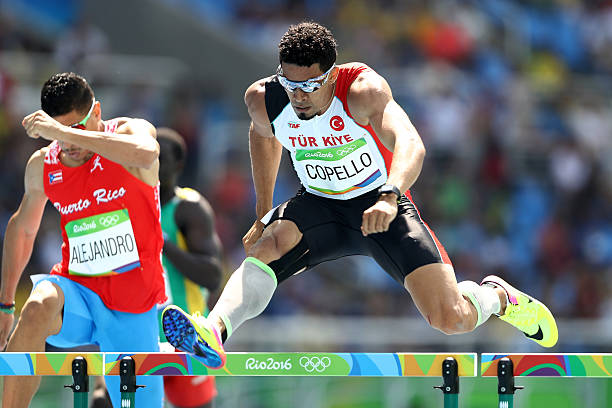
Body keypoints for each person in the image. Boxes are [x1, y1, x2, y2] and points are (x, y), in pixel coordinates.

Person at [162, 21, 559, 369]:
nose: (298, 96)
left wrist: (389, 195)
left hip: (378, 205)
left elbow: (411, 144)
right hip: (318, 204)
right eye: (290, 85)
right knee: (266, 245)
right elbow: (262, 136)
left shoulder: (362, 91)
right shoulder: (264, 98)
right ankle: (213, 330)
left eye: (309, 86)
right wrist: (263, 209)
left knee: (449, 318)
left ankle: (497, 297)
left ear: (332, 76)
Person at [0, 72, 166, 407]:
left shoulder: (130, 132)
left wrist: (61, 133)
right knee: (36, 306)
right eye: (59, 134)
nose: (69, 144)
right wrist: (4, 304)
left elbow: (147, 155)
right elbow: (23, 229)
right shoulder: (43, 166)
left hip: (133, 305)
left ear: (98, 112)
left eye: (77, 130)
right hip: (77, 294)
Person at [90, 128, 222, 408]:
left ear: (179, 165)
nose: (150, 160)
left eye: (159, 156)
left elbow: (212, 276)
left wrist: (159, 240)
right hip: (136, 332)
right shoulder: (121, 205)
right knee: (103, 401)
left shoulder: (189, 209)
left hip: (184, 335)